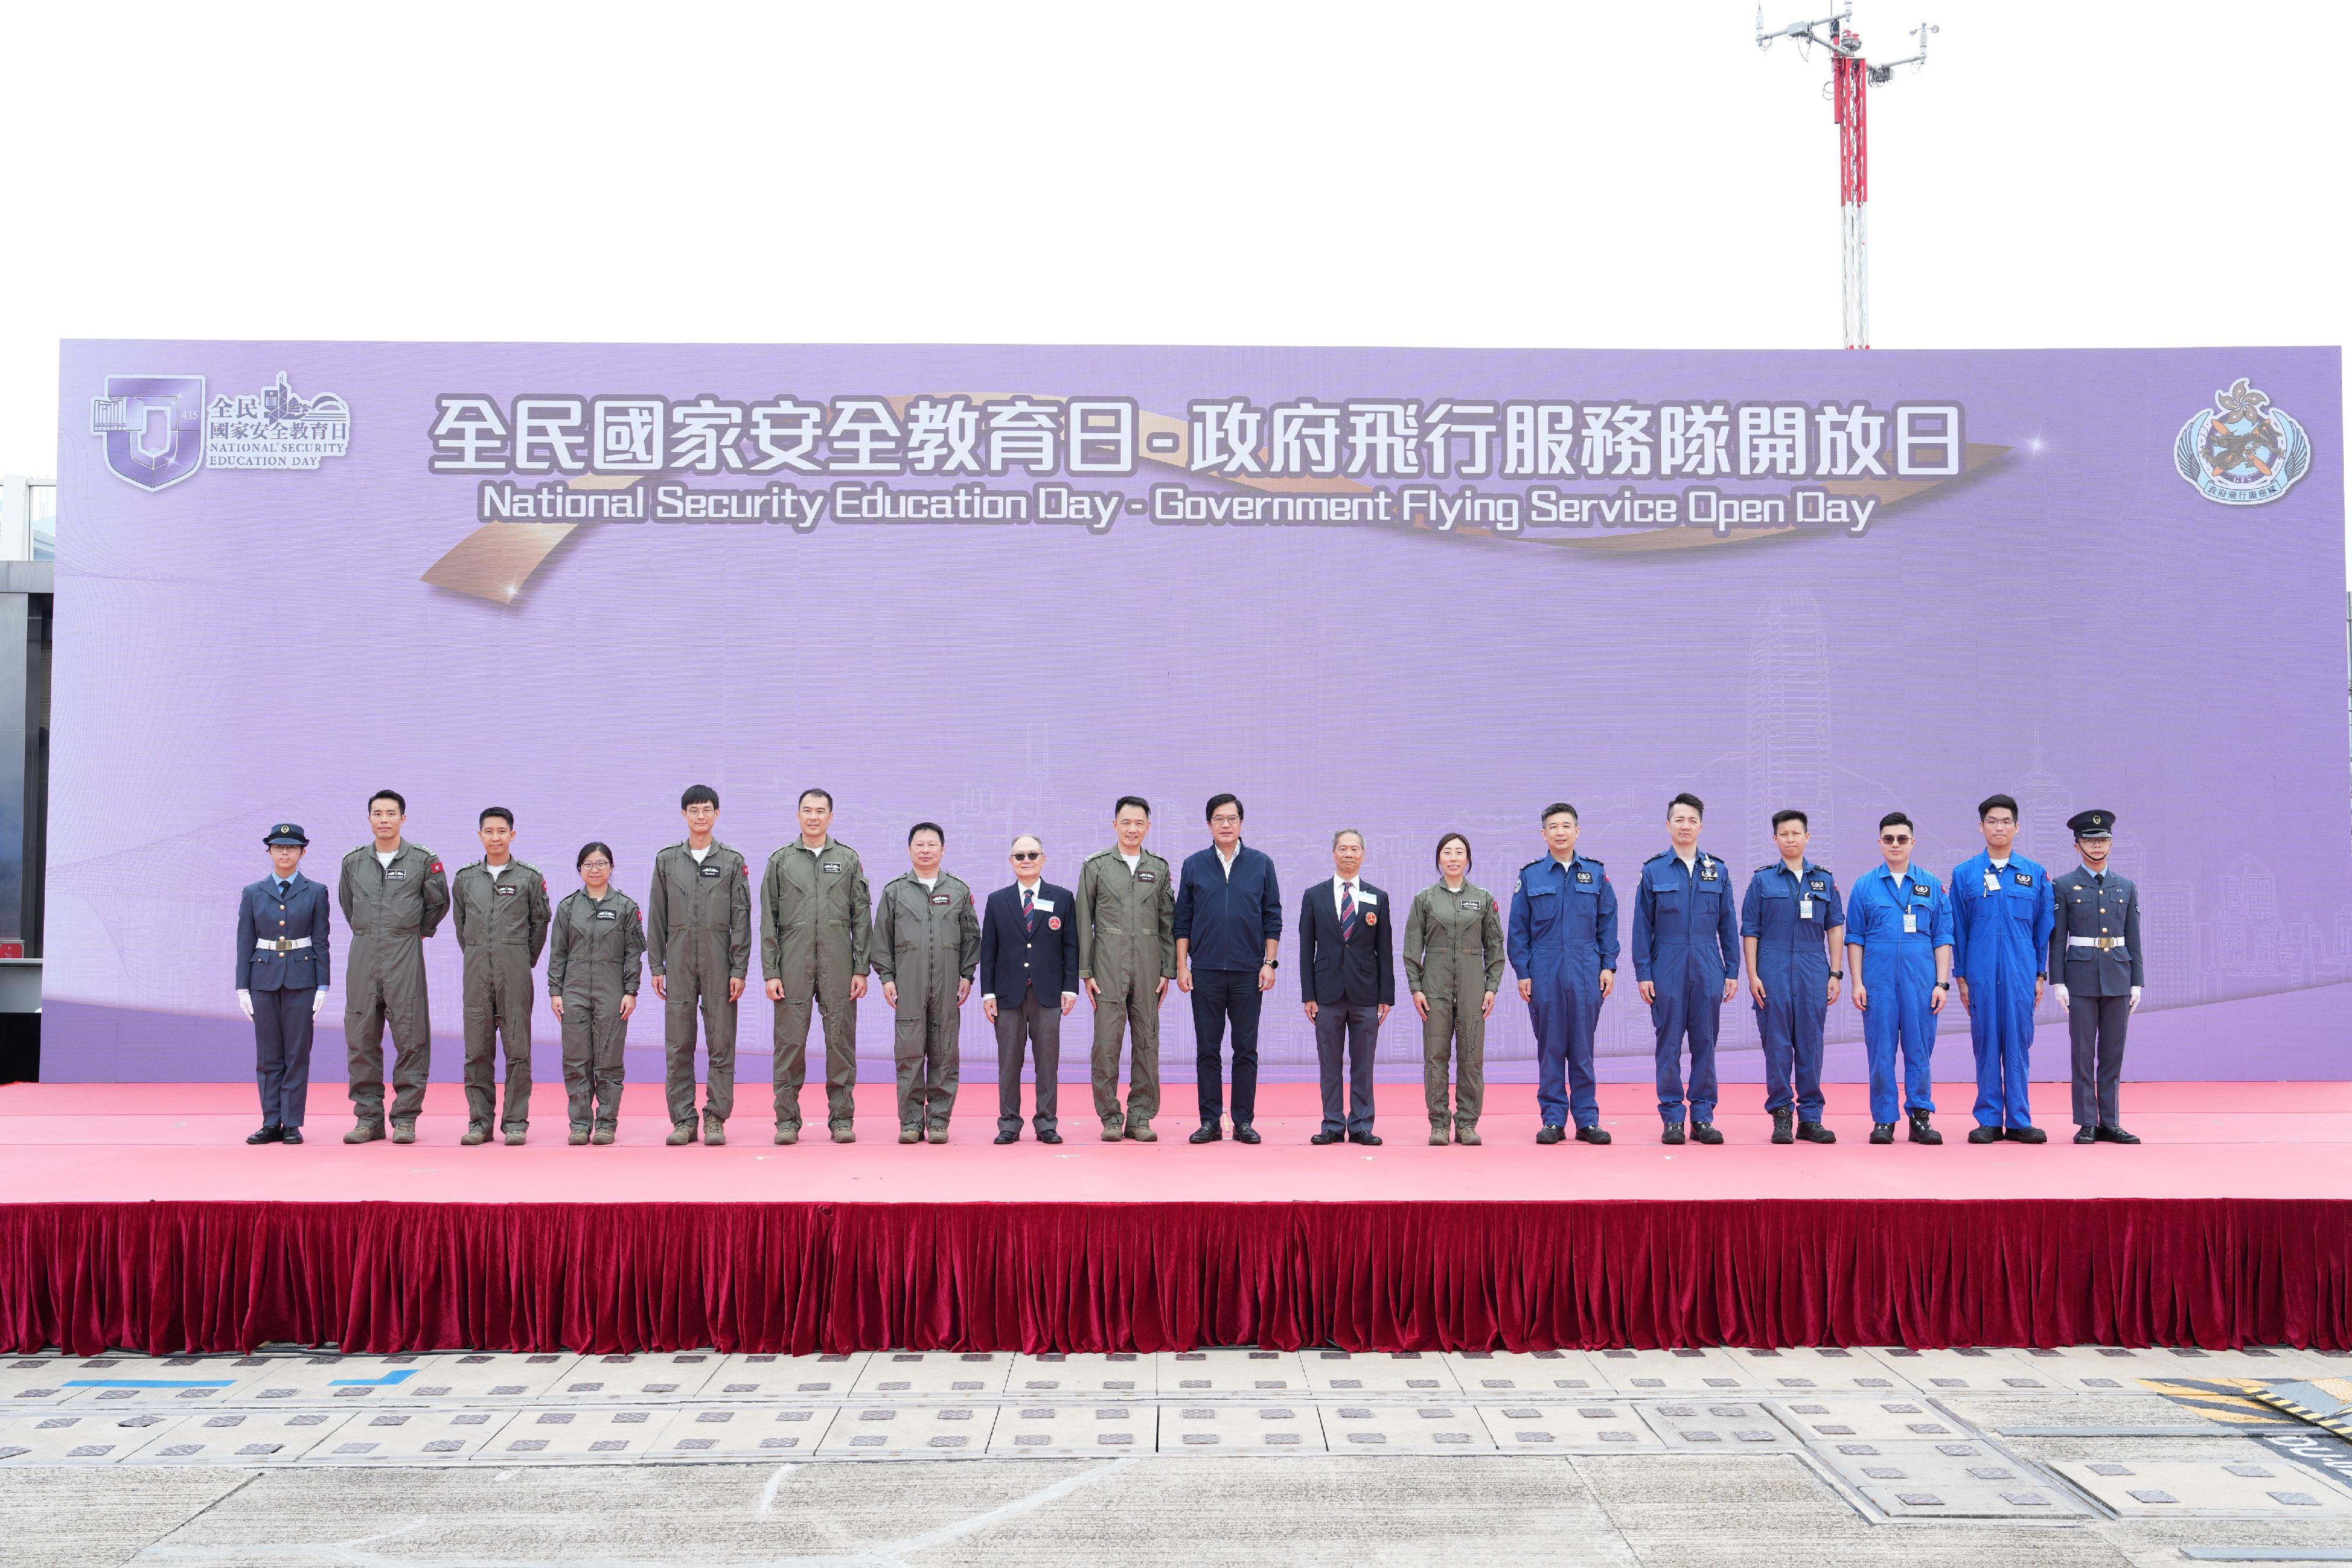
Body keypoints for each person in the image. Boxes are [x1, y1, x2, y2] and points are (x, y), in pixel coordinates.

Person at [760, 788, 872, 1145]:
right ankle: (787, 1121)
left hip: (838, 964)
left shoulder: (849, 860)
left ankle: (841, 1119)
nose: (813, 817)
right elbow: (768, 921)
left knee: (840, 1043)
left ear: (830, 817)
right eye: (807, 810)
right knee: (789, 1044)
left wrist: (861, 968)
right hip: (793, 965)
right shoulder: (780, 861)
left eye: (820, 811)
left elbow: (862, 918)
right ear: (798, 816)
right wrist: (771, 972)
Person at [1631, 793, 1742, 1145]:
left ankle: (1703, 1117)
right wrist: (1644, 973)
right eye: (1679, 820)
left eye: (1692, 820)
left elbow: (1728, 923)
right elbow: (1641, 926)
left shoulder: (1718, 870)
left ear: (1701, 827)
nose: (1685, 826)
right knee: (1668, 1043)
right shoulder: (1653, 870)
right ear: (1668, 825)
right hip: (1667, 962)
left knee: (1705, 1042)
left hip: (1708, 963)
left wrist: (1732, 970)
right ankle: (1673, 1118)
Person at [339, 790, 449, 1145]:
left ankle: (405, 1119)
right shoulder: (353, 862)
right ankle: (368, 1119)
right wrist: (371, 932)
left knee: (411, 1037)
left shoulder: (422, 860)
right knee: (360, 1038)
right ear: (369, 818)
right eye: (377, 813)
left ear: (403, 818)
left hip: (404, 953)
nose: (384, 819)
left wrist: (416, 932)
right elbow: (348, 905)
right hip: (363, 954)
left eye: (390, 813)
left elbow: (438, 903)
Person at [1172, 793, 1283, 1145]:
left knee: (1245, 1049)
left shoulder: (1261, 864)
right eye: (1219, 818)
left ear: (1241, 823)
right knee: (1207, 1049)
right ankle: (1209, 1122)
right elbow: (1182, 921)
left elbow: (1272, 917)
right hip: (1204, 971)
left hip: (1248, 972)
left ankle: (1243, 1121)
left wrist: (1269, 963)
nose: (1226, 824)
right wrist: (1182, 967)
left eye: (1232, 818)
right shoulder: (1194, 865)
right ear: (1209, 824)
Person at [1508, 803, 1619, 1146]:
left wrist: (1608, 965)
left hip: (1586, 967)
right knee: (1551, 1047)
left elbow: (1608, 922)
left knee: (1583, 1049)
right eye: (1553, 827)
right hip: (1545, 967)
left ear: (1577, 831)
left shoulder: (1596, 874)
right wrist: (1523, 972)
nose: (1560, 832)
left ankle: (1587, 1120)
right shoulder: (1531, 876)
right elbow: (1518, 929)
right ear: (1543, 834)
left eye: (1567, 826)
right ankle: (1553, 1120)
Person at [646, 784, 750, 1147]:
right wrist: (656, 966)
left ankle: (716, 1119)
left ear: (717, 814)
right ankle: (684, 1120)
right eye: (694, 810)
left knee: (721, 1042)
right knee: (679, 1044)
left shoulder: (732, 861)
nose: (701, 816)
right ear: (684, 815)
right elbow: (656, 915)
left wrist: (739, 968)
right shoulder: (667, 860)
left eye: (707, 809)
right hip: (677, 960)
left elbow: (742, 918)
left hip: (719, 959)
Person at [1948, 793, 2055, 1145]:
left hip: (2020, 973)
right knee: (1986, 1043)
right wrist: (1961, 977)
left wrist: (2039, 974)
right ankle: (1989, 1120)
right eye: (1992, 821)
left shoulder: (2034, 873)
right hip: (1979, 973)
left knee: (2019, 1043)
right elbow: (1958, 929)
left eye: (2006, 821)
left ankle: (2020, 1120)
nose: (1999, 827)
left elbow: (2043, 928)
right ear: (1981, 827)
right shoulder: (1965, 874)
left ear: (2017, 827)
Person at [1843, 811, 1953, 1145]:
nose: (1895, 844)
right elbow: (1855, 938)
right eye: (1889, 839)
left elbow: (1942, 937)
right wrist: (1857, 982)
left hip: (1921, 981)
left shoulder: (1931, 884)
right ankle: (1884, 1120)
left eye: (1902, 839)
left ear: (1913, 843)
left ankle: (1920, 1117)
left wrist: (1941, 983)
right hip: (1878, 981)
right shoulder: (1864, 885)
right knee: (1881, 1051)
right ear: (1880, 843)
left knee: (1920, 1050)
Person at [1739, 810, 1844, 1145]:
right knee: (1778, 1044)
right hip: (1773, 966)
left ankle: (1811, 1118)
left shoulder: (1824, 880)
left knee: (1811, 1044)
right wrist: (1753, 975)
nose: (1790, 839)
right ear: (1775, 839)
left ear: (1807, 837)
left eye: (1796, 833)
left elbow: (1835, 927)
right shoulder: (1762, 881)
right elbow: (1751, 930)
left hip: (1813, 966)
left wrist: (1835, 972)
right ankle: (1781, 1114)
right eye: (1783, 834)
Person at [871, 822, 981, 1143]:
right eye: (919, 845)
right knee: (909, 1054)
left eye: (932, 845)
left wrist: (967, 975)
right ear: (909, 850)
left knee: (945, 1053)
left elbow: (972, 937)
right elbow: (882, 939)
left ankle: (938, 1122)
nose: (926, 850)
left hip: (948, 985)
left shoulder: (958, 891)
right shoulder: (895, 892)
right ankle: (910, 1123)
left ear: (942, 850)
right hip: (908, 984)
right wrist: (887, 978)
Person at [1075, 797, 1176, 1142]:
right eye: (1126, 823)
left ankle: (1141, 1117)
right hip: (1107, 966)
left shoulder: (1158, 868)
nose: (1132, 829)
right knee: (1106, 1045)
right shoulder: (1096, 866)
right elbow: (1083, 921)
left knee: (1147, 1043)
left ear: (1148, 827)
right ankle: (1110, 1118)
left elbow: (1167, 922)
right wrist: (1086, 972)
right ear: (1115, 825)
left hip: (1148, 967)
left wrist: (1167, 970)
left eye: (1139, 823)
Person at [450, 808, 551, 1146]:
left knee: (518, 1050)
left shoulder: (529, 878)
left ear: (513, 835)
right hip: (476, 973)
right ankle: (479, 1123)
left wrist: (521, 958)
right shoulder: (465, 879)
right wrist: (478, 954)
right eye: (489, 831)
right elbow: (462, 926)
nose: (496, 837)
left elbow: (540, 923)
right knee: (476, 1051)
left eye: (502, 831)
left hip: (515, 972)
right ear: (480, 835)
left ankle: (516, 1123)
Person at [1403, 832, 1505, 1146]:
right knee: (1435, 1056)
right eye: (1447, 852)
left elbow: (1495, 947)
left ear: (1468, 859)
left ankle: (1467, 1124)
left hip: (1474, 987)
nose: (1453, 858)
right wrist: (1416, 988)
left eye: (1460, 852)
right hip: (1435, 985)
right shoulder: (1425, 899)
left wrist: (1492, 987)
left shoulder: (1484, 899)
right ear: (1438, 859)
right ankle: (1439, 1125)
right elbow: (1412, 948)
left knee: (1472, 1056)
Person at [2050, 809, 2144, 1144]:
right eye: (2090, 841)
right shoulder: (2063, 885)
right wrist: (2059, 982)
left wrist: (2137, 982)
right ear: (2077, 845)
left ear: (2111, 844)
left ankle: (2111, 1122)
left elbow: (2133, 938)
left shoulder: (2126, 886)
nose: (2097, 846)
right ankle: (2087, 1122)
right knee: (2082, 1054)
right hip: (2081, 978)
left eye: (2103, 840)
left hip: (2119, 975)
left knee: (2113, 1053)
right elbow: (2058, 938)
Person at [235, 823, 330, 1146]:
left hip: (302, 979)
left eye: (291, 847)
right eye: (278, 847)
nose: (285, 852)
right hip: (262, 978)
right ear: (269, 852)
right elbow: (244, 942)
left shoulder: (316, 891)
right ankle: (270, 1122)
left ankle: (291, 1123)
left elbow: (321, 941)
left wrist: (323, 985)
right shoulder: (253, 892)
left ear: (303, 852)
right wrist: (242, 988)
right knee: (268, 1055)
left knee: (297, 1053)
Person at [1298, 830, 1394, 1146]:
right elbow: (1306, 949)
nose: (1348, 854)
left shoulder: (1378, 897)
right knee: (1330, 1063)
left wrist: (1386, 996)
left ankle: (1362, 1125)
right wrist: (1308, 995)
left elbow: (1385, 950)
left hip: (1366, 992)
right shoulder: (1315, 895)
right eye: (1343, 849)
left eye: (1354, 849)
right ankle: (1333, 1124)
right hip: (1326, 993)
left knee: (1363, 1064)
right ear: (1333, 854)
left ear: (1363, 855)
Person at [980, 834, 1077, 1144]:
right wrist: (988, 993)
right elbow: (988, 950)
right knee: (1009, 1062)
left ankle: (1046, 1122)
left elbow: (1071, 946)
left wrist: (1071, 988)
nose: (1026, 861)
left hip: (1048, 993)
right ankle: (1009, 1124)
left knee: (1047, 1062)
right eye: (1020, 856)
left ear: (1043, 859)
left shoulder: (1062, 898)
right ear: (1011, 862)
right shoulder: (998, 900)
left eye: (1032, 855)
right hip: (1008, 994)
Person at [547, 841, 643, 1145]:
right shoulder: (567, 908)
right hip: (573, 991)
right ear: (580, 870)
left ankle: (606, 1124)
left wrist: (631, 991)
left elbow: (633, 953)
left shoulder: (626, 907)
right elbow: (558, 953)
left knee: (609, 1061)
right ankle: (579, 1125)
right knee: (576, 1061)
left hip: (612, 991)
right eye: (588, 864)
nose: (595, 869)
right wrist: (555, 991)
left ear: (611, 868)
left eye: (601, 863)